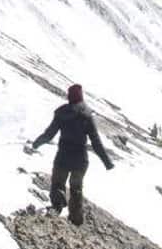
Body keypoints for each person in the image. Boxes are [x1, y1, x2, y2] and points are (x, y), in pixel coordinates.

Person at [29, 83, 114, 225]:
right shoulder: (87, 114)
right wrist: (107, 162)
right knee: (76, 189)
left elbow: (49, 134)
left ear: (69, 96)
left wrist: (36, 143)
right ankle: (76, 219)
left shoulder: (61, 113)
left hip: (63, 157)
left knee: (57, 183)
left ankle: (57, 206)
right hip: (80, 160)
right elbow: (96, 141)